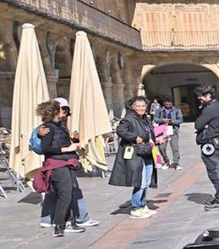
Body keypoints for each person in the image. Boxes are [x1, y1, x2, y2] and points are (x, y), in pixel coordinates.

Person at [37, 97, 98, 229]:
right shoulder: (48, 127)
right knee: (65, 194)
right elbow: (46, 148)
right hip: (58, 163)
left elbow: (58, 141)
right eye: (62, 109)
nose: (65, 112)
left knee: (63, 192)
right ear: (54, 111)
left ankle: (58, 221)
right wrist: (67, 148)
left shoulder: (60, 126)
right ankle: (64, 224)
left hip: (65, 162)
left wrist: (74, 142)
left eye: (66, 109)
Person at [109, 95, 158, 219]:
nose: (141, 108)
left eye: (143, 106)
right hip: (136, 154)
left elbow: (148, 132)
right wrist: (134, 137)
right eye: (138, 106)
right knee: (140, 181)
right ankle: (136, 207)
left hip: (146, 152)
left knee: (146, 181)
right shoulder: (129, 118)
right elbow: (121, 130)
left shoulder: (144, 118)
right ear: (133, 107)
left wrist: (152, 140)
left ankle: (143, 205)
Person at [194, 84, 219, 211]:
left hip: (211, 145)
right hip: (214, 143)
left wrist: (204, 125)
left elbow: (198, 124)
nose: (199, 98)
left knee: (215, 172)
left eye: (201, 95)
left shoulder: (210, 108)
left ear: (208, 95)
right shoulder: (214, 105)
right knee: (215, 171)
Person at [155, 98, 183, 169]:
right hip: (163, 131)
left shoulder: (176, 110)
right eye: (166, 104)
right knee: (161, 147)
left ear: (172, 103)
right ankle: (166, 161)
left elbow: (180, 120)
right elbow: (155, 119)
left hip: (173, 130)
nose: (168, 105)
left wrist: (172, 121)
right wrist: (162, 120)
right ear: (164, 103)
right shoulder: (159, 110)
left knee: (175, 148)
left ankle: (176, 163)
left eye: (169, 104)